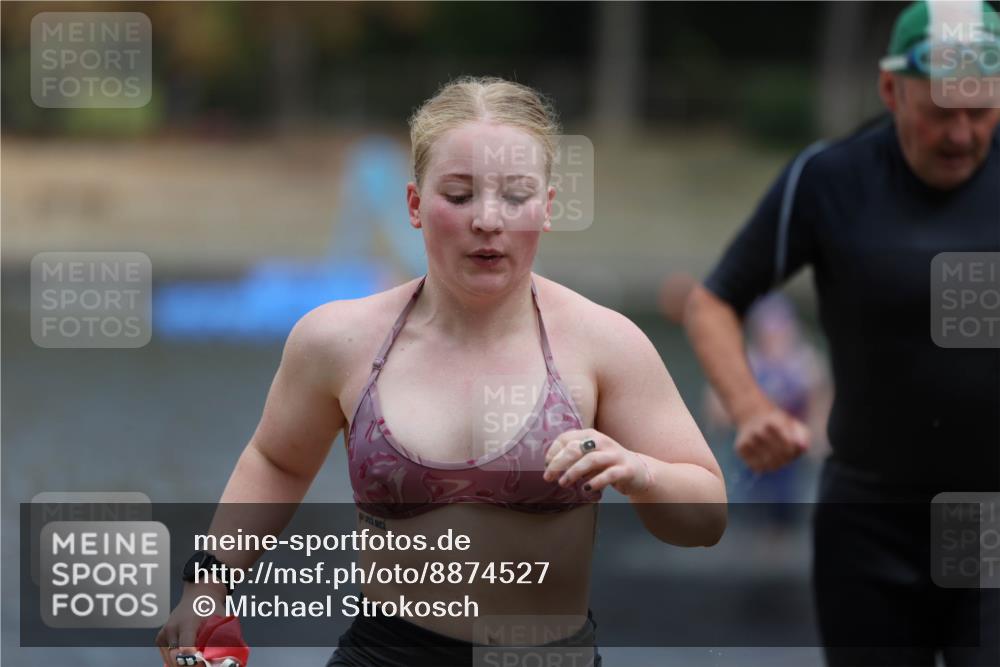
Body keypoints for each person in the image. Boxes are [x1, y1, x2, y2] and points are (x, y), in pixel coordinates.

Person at [157, 76, 727, 667]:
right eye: (458, 195)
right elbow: (276, 461)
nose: (487, 219)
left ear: (548, 208)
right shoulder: (340, 339)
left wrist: (641, 472)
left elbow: (706, 519)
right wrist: (208, 587)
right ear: (413, 205)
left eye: (515, 197)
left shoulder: (605, 343)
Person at [684, 1, 1000, 665]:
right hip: (868, 520)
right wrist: (750, 409)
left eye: (983, 110)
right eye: (942, 111)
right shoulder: (829, 179)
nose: (964, 134)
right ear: (891, 89)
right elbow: (713, 301)